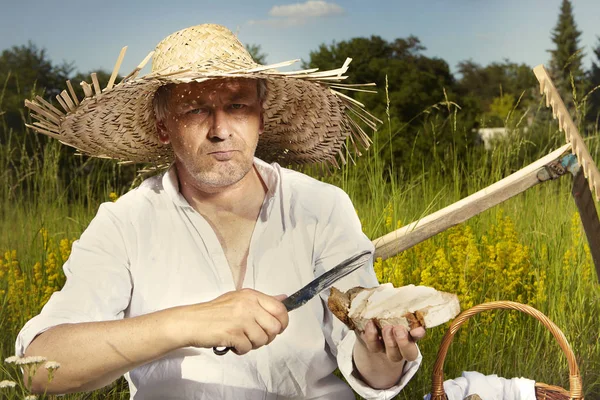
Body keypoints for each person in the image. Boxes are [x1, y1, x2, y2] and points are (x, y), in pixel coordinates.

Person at [16, 24, 425, 399]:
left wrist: (382, 353)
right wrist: (189, 323)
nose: (220, 129)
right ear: (164, 128)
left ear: (260, 119)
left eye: (238, 107)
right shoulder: (125, 223)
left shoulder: (321, 206)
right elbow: (38, 369)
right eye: (195, 110)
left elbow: (371, 370)